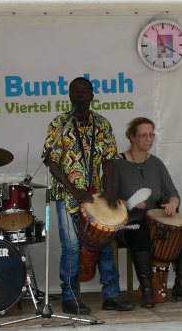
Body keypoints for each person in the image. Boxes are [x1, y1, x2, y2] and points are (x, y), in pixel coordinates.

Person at [42, 77, 135, 315]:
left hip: (94, 195)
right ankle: (69, 297)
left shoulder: (102, 124)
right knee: (72, 247)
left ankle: (112, 295)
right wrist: (72, 189)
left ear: (92, 95)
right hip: (67, 194)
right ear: (69, 95)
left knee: (103, 243)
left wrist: (110, 189)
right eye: (75, 91)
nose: (79, 95)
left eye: (84, 91)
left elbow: (109, 159)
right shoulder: (60, 123)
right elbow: (50, 161)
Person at [112, 117, 182, 308]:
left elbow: (172, 193)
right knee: (139, 231)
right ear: (132, 137)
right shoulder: (116, 164)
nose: (149, 139)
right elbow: (108, 199)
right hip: (129, 222)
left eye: (152, 134)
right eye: (144, 135)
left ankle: (181, 284)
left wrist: (172, 204)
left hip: (157, 220)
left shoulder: (156, 163)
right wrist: (127, 203)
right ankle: (147, 288)